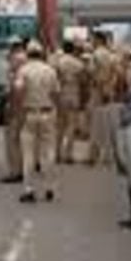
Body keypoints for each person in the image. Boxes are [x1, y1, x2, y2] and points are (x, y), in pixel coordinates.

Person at [14, 40, 60, 203]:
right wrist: (55, 110)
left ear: (28, 54)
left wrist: (19, 113)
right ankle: (50, 189)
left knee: (28, 154)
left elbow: (19, 91)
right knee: (47, 152)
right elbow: (55, 94)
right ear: (41, 54)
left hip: (29, 114)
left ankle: (29, 190)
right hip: (48, 112)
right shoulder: (50, 70)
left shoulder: (23, 70)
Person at [52, 40, 88, 164]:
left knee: (59, 126)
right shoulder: (78, 63)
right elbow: (83, 81)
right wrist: (83, 98)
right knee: (71, 126)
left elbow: (55, 79)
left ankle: (57, 153)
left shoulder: (58, 62)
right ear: (73, 50)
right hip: (74, 94)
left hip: (61, 94)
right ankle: (68, 155)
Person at [88, 31, 119, 165]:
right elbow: (117, 74)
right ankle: (108, 155)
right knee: (108, 123)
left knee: (95, 124)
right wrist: (109, 86)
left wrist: (98, 85)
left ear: (98, 40)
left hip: (97, 92)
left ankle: (94, 155)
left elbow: (91, 72)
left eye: (93, 39)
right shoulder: (112, 56)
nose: (92, 42)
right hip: (109, 91)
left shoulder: (95, 55)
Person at [1, 39, 29, 184]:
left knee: (12, 140)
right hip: (27, 107)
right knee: (22, 140)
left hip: (17, 108)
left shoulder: (17, 71)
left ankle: (15, 172)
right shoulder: (28, 65)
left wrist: (11, 109)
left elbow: (14, 91)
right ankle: (23, 169)